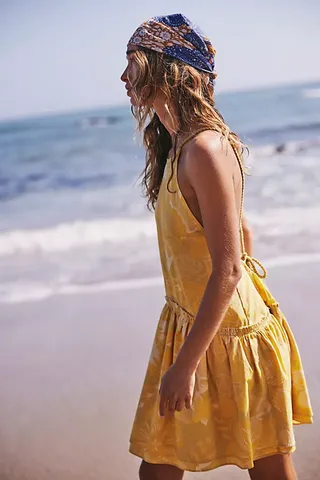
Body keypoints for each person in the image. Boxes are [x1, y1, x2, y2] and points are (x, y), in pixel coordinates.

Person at [120, 13, 312, 480]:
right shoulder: (176, 145)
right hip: (194, 326)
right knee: (158, 464)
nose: (124, 77)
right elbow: (242, 235)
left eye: (134, 63)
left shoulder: (204, 148)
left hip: (228, 336)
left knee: (266, 467)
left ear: (166, 69)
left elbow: (228, 269)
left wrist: (185, 364)